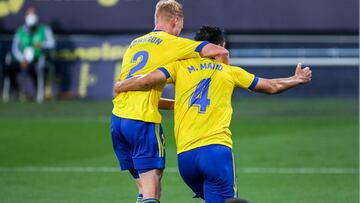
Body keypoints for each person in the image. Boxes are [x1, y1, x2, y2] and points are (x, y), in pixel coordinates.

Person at [113, 26, 312, 203]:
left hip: (186, 160)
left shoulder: (178, 67)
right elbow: (272, 86)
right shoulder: (229, 72)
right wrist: (296, 79)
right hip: (216, 153)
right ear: (221, 45)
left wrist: (122, 86)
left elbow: (146, 80)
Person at [111, 1, 229, 203]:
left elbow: (141, 92)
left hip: (118, 122)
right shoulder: (172, 42)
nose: (180, 31)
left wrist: (177, 104)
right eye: (181, 25)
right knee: (152, 191)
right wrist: (220, 81)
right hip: (142, 121)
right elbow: (219, 51)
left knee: (142, 188)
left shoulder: (135, 44)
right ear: (175, 20)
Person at [4, 6, 55, 103]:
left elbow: (52, 43)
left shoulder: (44, 29)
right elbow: (15, 48)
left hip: (37, 59)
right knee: (9, 69)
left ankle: (38, 94)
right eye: (29, 14)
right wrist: (22, 59)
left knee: (37, 70)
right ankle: (15, 91)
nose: (31, 17)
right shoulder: (20, 31)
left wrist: (42, 45)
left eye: (33, 14)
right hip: (22, 60)